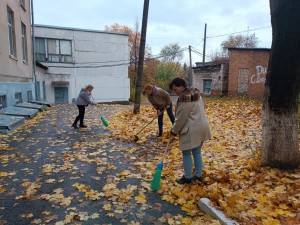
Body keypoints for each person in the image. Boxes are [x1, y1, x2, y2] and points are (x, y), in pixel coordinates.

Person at [169, 77, 211, 184]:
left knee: (186, 153)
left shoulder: (185, 99)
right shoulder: (196, 94)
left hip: (192, 130)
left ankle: (187, 177)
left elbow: (180, 119)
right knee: (197, 152)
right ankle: (198, 175)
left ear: (182, 86)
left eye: (176, 89)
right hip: (202, 126)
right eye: (173, 91)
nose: (175, 92)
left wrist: (173, 131)